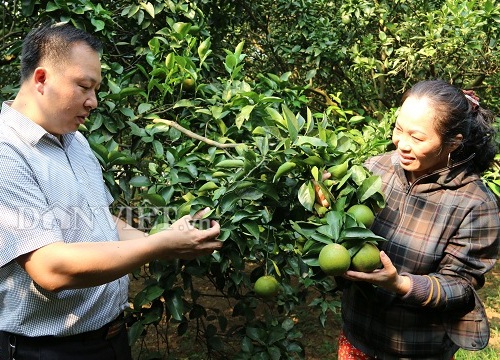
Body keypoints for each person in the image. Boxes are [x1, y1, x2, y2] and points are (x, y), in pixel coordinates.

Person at [0, 23, 222, 360]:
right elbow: (50, 268)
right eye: (84, 87)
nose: (93, 102)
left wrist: (170, 239)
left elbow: (104, 221)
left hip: (110, 339)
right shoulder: (7, 152)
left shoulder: (76, 142)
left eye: (96, 89)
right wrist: (156, 247)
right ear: (41, 79)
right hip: (46, 351)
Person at [327, 80, 499, 359]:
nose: (402, 144)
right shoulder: (374, 169)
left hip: (417, 348)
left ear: (452, 142)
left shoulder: (475, 204)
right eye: (398, 129)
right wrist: (329, 198)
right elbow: (345, 229)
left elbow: (461, 287)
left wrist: (400, 284)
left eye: (417, 138)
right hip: (358, 334)